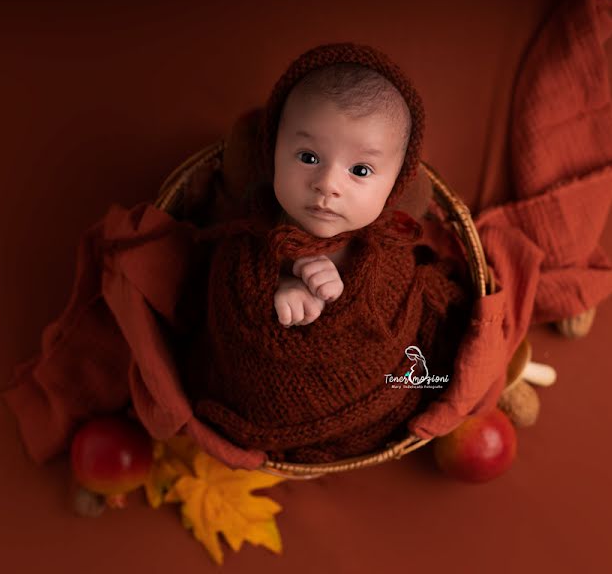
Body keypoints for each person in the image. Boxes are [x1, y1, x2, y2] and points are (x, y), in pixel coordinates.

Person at [183, 43, 470, 464]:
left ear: (395, 183)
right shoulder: (247, 237)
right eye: (308, 156)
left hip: (372, 397)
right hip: (260, 403)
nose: (327, 184)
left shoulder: (386, 251)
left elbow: (396, 322)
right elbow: (227, 313)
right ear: (272, 152)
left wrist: (341, 299)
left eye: (361, 170)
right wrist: (276, 289)